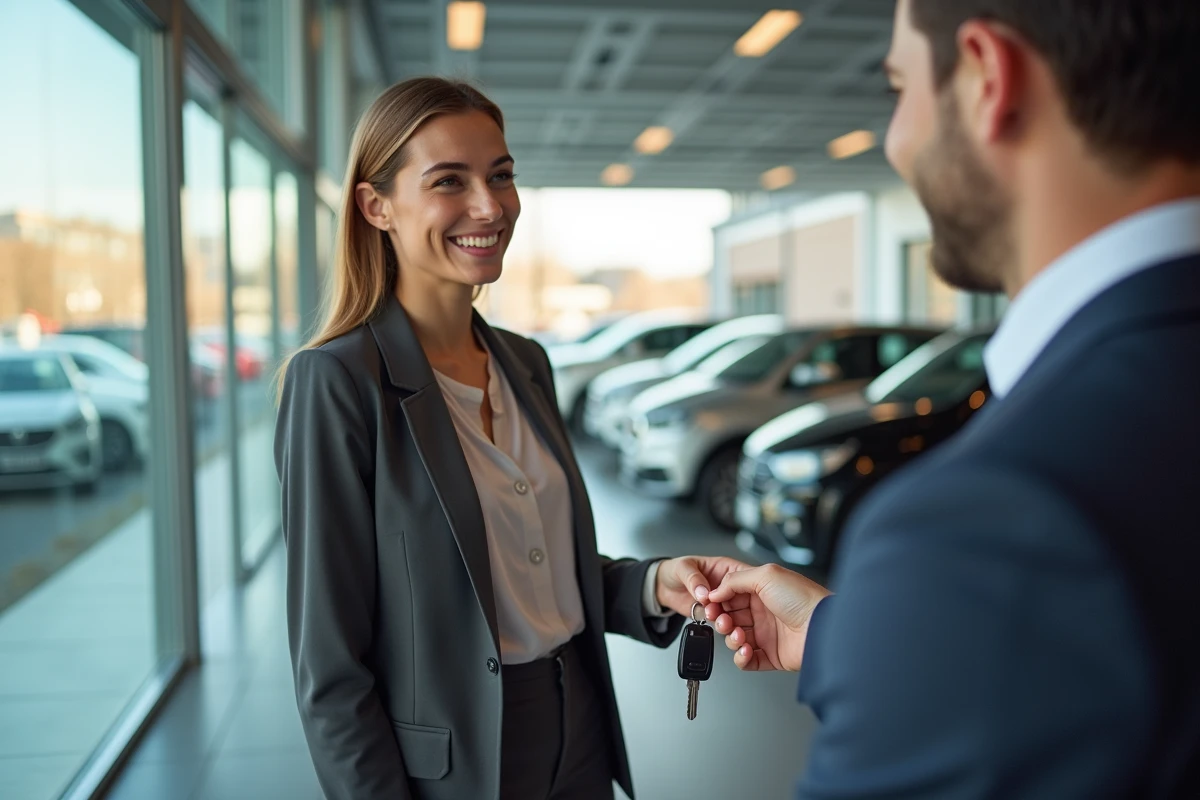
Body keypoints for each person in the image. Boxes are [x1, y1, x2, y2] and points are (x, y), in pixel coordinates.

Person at [702, 0, 1200, 797]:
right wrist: (850, 633)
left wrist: (927, 605)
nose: (896, 140)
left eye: (899, 88)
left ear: (986, 77)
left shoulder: (989, 524)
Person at [274, 77, 745, 800]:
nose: (490, 206)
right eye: (449, 182)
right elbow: (331, 670)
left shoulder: (525, 361)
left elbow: (533, 567)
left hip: (579, 723)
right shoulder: (338, 382)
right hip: (461, 763)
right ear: (377, 207)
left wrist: (653, 584)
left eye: (501, 175)